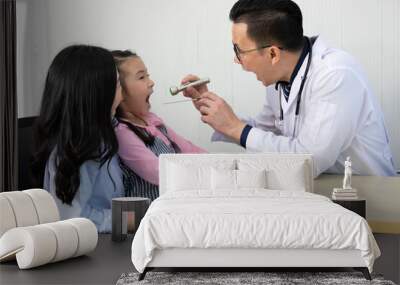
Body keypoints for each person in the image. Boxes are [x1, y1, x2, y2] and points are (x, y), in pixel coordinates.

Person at [181, 0, 396, 177]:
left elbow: (309, 160)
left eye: (239, 51)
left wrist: (235, 128)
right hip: (321, 192)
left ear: (273, 54)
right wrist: (212, 108)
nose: (237, 61)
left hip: (367, 196)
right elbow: (266, 131)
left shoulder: (335, 75)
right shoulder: (280, 78)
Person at [32, 45, 124, 233]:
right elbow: (73, 218)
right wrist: (133, 221)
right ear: (97, 94)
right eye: (117, 83)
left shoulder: (103, 136)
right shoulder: (77, 148)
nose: (122, 92)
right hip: (92, 251)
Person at [112, 50, 206, 200]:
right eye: (141, 77)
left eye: (147, 75)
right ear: (119, 91)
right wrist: (203, 176)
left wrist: (217, 163)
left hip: (173, 204)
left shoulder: (152, 121)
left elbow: (188, 149)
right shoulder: (122, 133)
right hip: (148, 216)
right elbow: (158, 172)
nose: (151, 82)